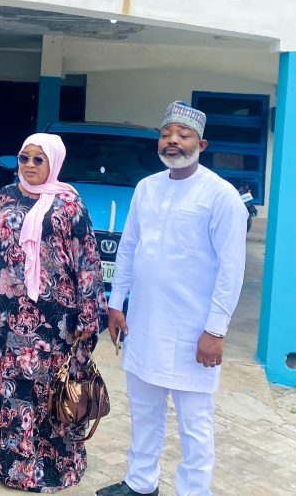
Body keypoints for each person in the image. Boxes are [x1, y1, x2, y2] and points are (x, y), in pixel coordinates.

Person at [96, 101, 248, 496]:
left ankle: (194, 491)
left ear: (202, 144)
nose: (173, 141)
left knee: (194, 423)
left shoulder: (221, 196)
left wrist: (216, 330)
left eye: (183, 135)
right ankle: (140, 484)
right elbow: (128, 249)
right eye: (166, 134)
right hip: (145, 324)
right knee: (144, 413)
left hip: (193, 331)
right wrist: (116, 304)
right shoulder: (147, 188)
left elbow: (232, 269)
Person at [0, 133, 105, 492]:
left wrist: (88, 316)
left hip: (55, 318)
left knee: (51, 387)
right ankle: (0, 453)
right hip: (6, 313)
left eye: (38, 159)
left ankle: (50, 462)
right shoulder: (4, 196)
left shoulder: (69, 204)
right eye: (24, 158)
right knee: (4, 383)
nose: (29, 165)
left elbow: (87, 261)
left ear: (54, 162)